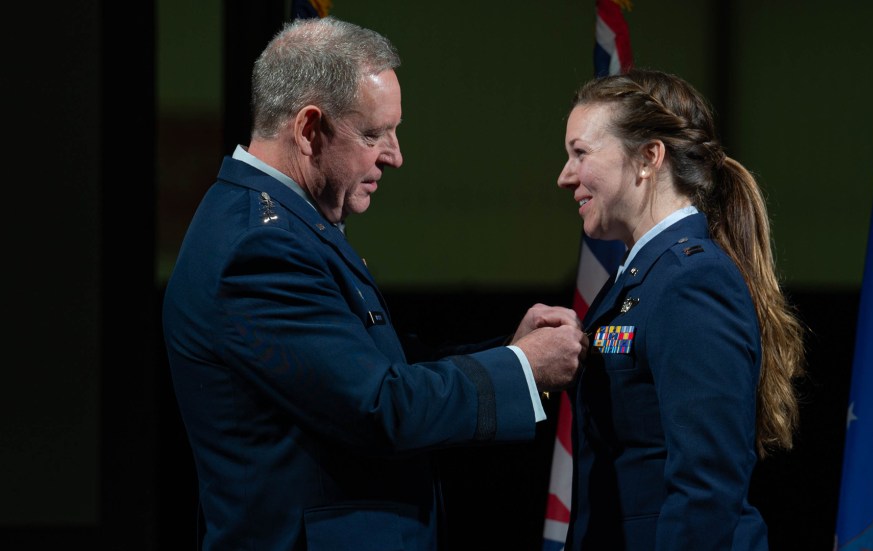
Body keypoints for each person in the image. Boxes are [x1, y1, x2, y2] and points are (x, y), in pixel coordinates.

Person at [161, 16, 587, 550]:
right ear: (309, 129)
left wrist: (508, 349)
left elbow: (372, 368)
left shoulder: (279, 224)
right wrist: (523, 368)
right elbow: (378, 406)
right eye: (373, 133)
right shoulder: (260, 247)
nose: (394, 154)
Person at [556, 68, 805, 550]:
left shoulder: (693, 281)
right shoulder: (641, 277)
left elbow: (705, 489)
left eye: (580, 153)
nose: (565, 175)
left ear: (648, 158)